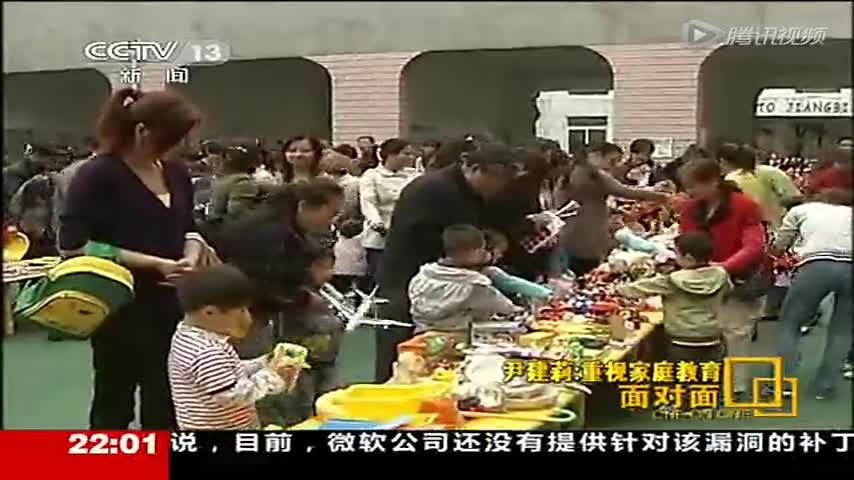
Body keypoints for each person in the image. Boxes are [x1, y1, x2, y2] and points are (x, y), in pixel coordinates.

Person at [59, 87, 206, 429]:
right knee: (115, 397)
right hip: (119, 303)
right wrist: (154, 263)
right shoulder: (97, 175)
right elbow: (73, 245)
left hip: (175, 304)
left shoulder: (176, 173)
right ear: (143, 131)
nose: (185, 146)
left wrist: (191, 256)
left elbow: (189, 227)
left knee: (167, 397)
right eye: (177, 138)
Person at [374, 142, 523, 381]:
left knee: (435, 362)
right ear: (474, 168)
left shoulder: (465, 192)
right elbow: (429, 237)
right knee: (404, 357)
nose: (499, 188)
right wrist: (474, 257)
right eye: (497, 180)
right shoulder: (434, 189)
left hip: (440, 280)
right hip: (409, 280)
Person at [216, 179, 343, 388]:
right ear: (304, 206)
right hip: (248, 313)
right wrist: (305, 295)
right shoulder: (269, 233)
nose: (331, 222)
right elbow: (265, 281)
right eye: (331, 214)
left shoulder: (279, 224)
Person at [676, 157, 768, 395]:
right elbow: (687, 241)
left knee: (736, 332)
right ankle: (708, 381)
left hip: (740, 277)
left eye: (694, 186)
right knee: (707, 330)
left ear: (714, 181)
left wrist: (723, 268)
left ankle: (735, 385)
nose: (690, 191)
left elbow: (754, 245)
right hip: (704, 279)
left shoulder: (745, 205)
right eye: (687, 186)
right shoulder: (689, 208)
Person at [168, 264, 300, 430]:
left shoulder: (187, 335)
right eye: (242, 311)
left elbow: (227, 373)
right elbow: (233, 395)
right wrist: (272, 377)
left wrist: (262, 363)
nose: (248, 318)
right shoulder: (207, 352)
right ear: (209, 312)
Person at [768, 188, 852, 398]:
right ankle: (826, 386)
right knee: (842, 330)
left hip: (816, 264)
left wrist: (776, 251)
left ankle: (781, 382)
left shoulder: (802, 210)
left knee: (791, 323)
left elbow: (780, 244)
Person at [556, 142, 670, 277]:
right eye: (612, 161)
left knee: (571, 271)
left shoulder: (569, 172)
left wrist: (616, 211)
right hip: (589, 232)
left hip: (569, 230)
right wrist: (664, 197)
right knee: (587, 271)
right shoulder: (594, 175)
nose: (614, 166)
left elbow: (586, 200)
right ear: (596, 155)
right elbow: (624, 191)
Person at [617, 232, 731, 361]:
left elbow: (637, 289)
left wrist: (618, 289)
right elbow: (727, 293)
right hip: (713, 338)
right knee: (710, 372)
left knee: (683, 372)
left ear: (688, 258)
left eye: (676, 253)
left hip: (681, 341)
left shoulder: (673, 280)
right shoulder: (721, 275)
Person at [268, 242, 344, 425]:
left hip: (326, 359)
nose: (330, 273)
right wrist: (334, 322)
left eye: (331, 267)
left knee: (332, 397)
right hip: (302, 361)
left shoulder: (324, 292)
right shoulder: (300, 297)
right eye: (322, 268)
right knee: (301, 404)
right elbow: (304, 324)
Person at [408, 225, 517, 334]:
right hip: (457, 337)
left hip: (422, 334)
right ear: (474, 252)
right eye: (482, 249)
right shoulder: (474, 287)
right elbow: (506, 308)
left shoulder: (422, 276)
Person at [359, 138, 418, 283]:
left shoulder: (415, 175)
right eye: (406, 154)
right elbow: (368, 202)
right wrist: (376, 223)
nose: (411, 157)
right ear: (391, 155)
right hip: (381, 236)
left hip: (408, 234)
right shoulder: (372, 176)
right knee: (381, 278)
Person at [207, 145, 262, 223]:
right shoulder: (221, 180)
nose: (216, 163)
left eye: (221, 158)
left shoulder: (242, 182)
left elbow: (237, 217)